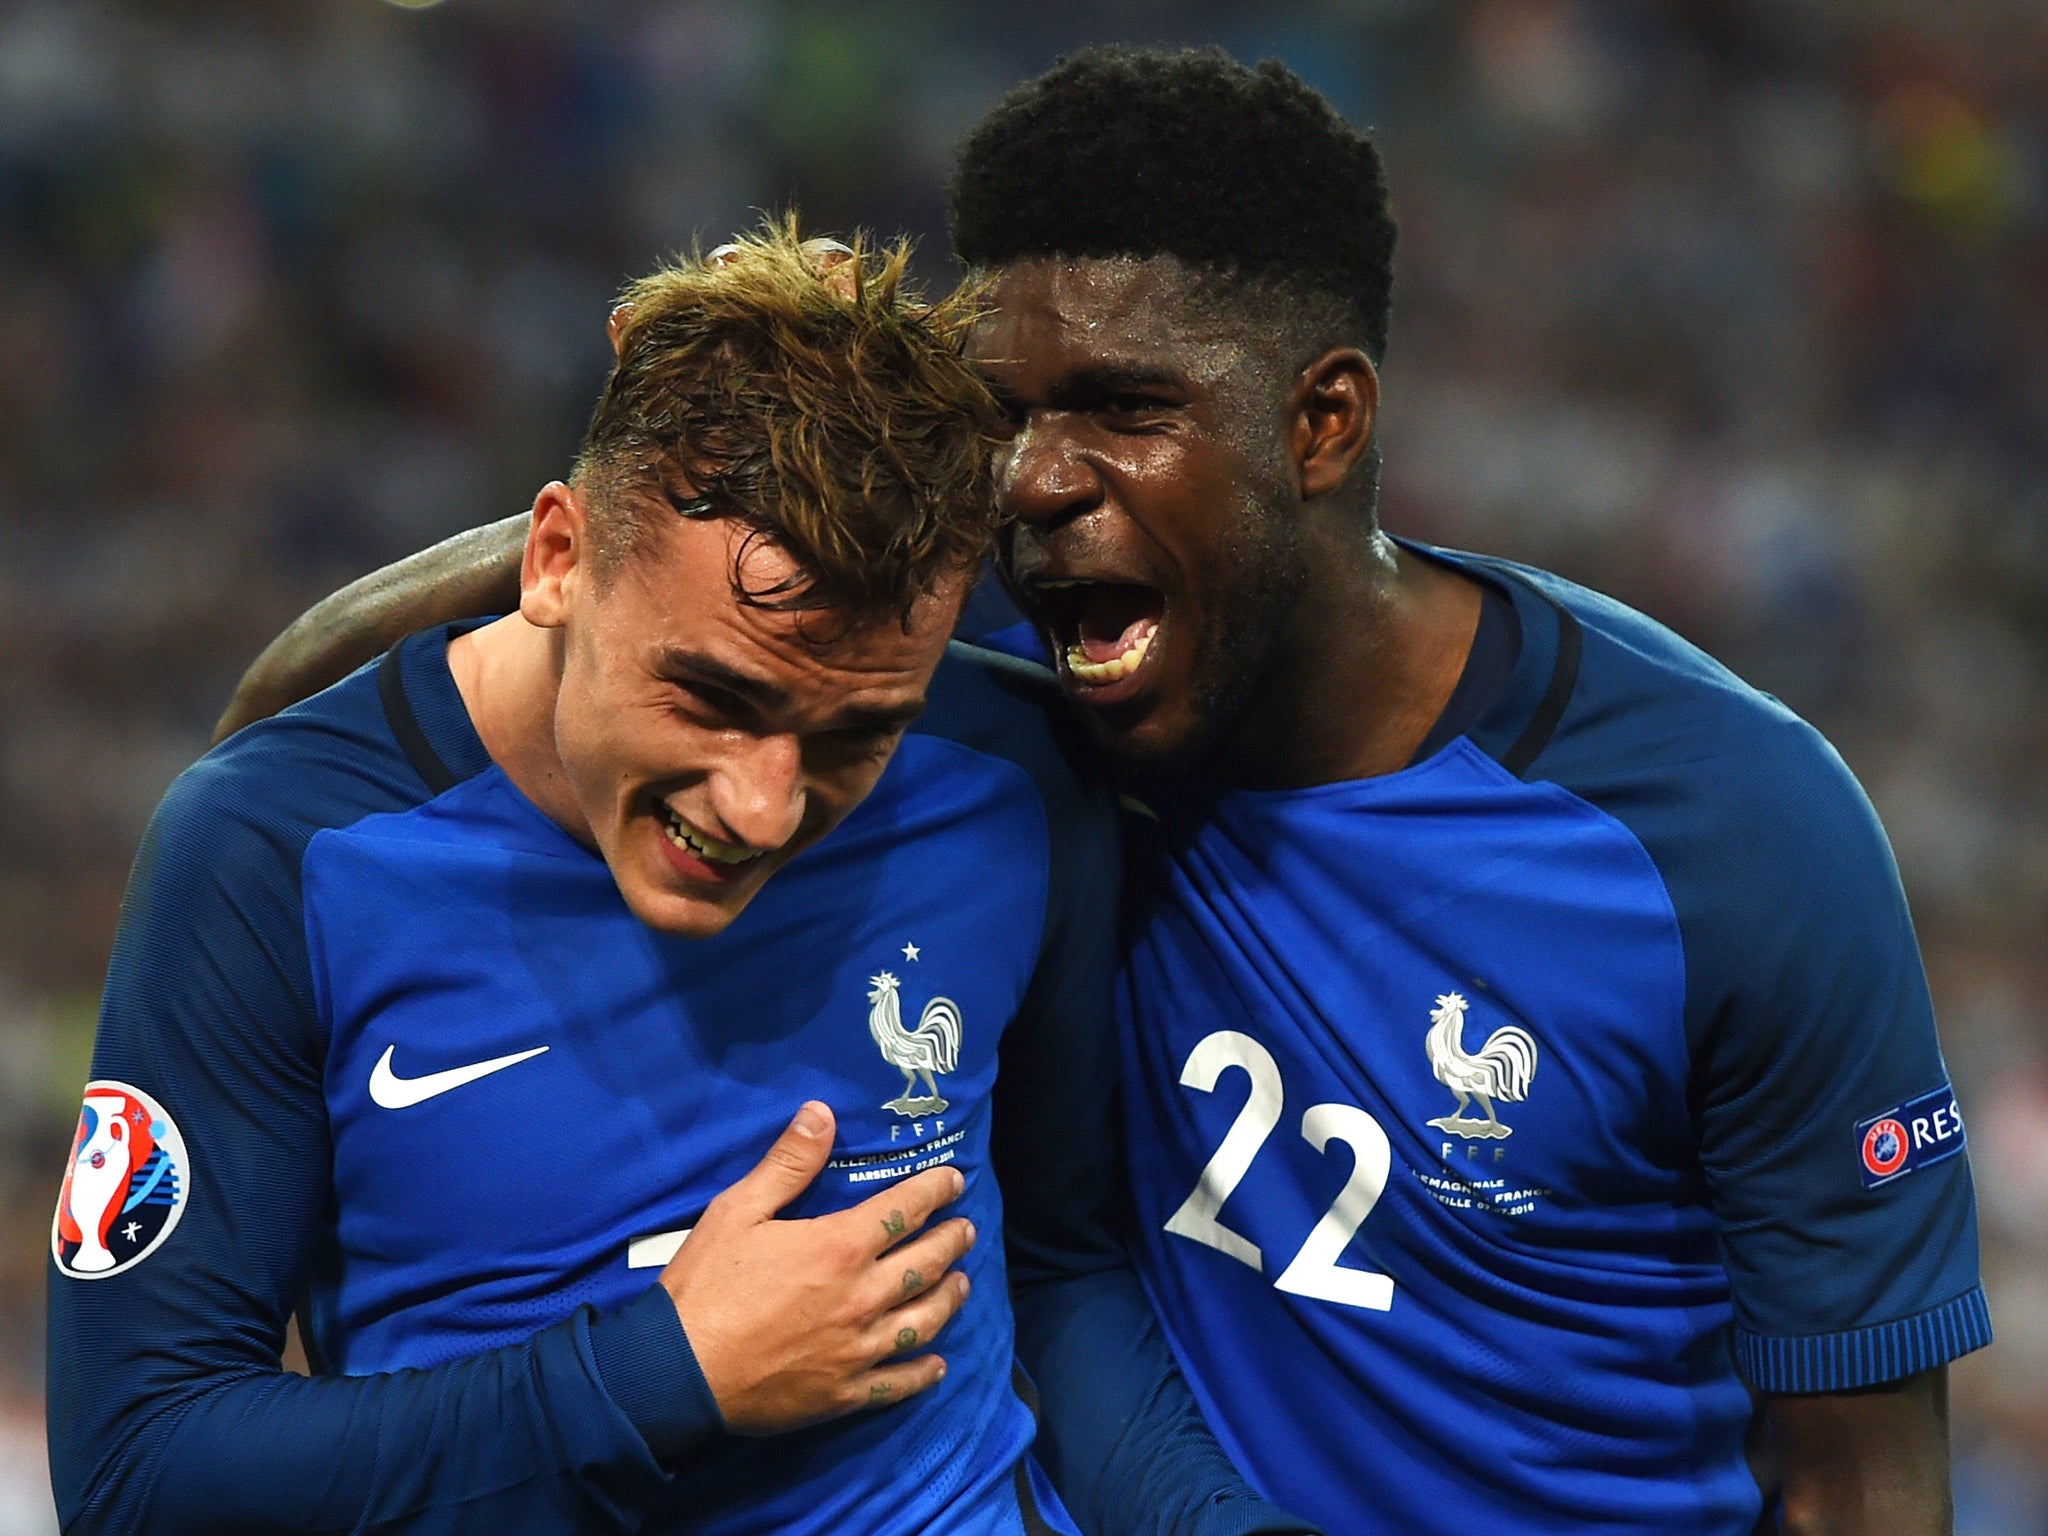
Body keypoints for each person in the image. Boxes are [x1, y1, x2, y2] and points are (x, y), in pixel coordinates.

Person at [209, 49, 1992, 1536]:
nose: (1038, 484)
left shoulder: (1729, 834)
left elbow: (1856, 1487)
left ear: (1324, 422)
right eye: (1003, 416)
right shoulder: (1000, 714)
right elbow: (522, 651)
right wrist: (576, 555)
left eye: (1122, 409)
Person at [48, 224, 1304, 1536]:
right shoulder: (274, 852)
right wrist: (660, 1374)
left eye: (855, 733)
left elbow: (1059, 1272)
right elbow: (141, 1472)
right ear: (554, 559)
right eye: (711, 695)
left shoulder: (1014, 775)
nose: (760, 805)